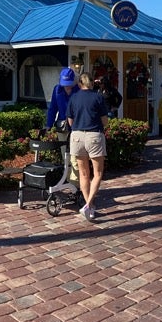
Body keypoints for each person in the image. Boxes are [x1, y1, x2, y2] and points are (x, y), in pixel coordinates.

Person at [66, 74, 110, 223]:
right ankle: (88, 204)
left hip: (77, 135)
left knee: (83, 174)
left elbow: (70, 121)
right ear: (92, 83)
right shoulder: (98, 98)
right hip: (94, 135)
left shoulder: (73, 97)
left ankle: (89, 207)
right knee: (97, 173)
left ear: (79, 84)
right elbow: (105, 121)